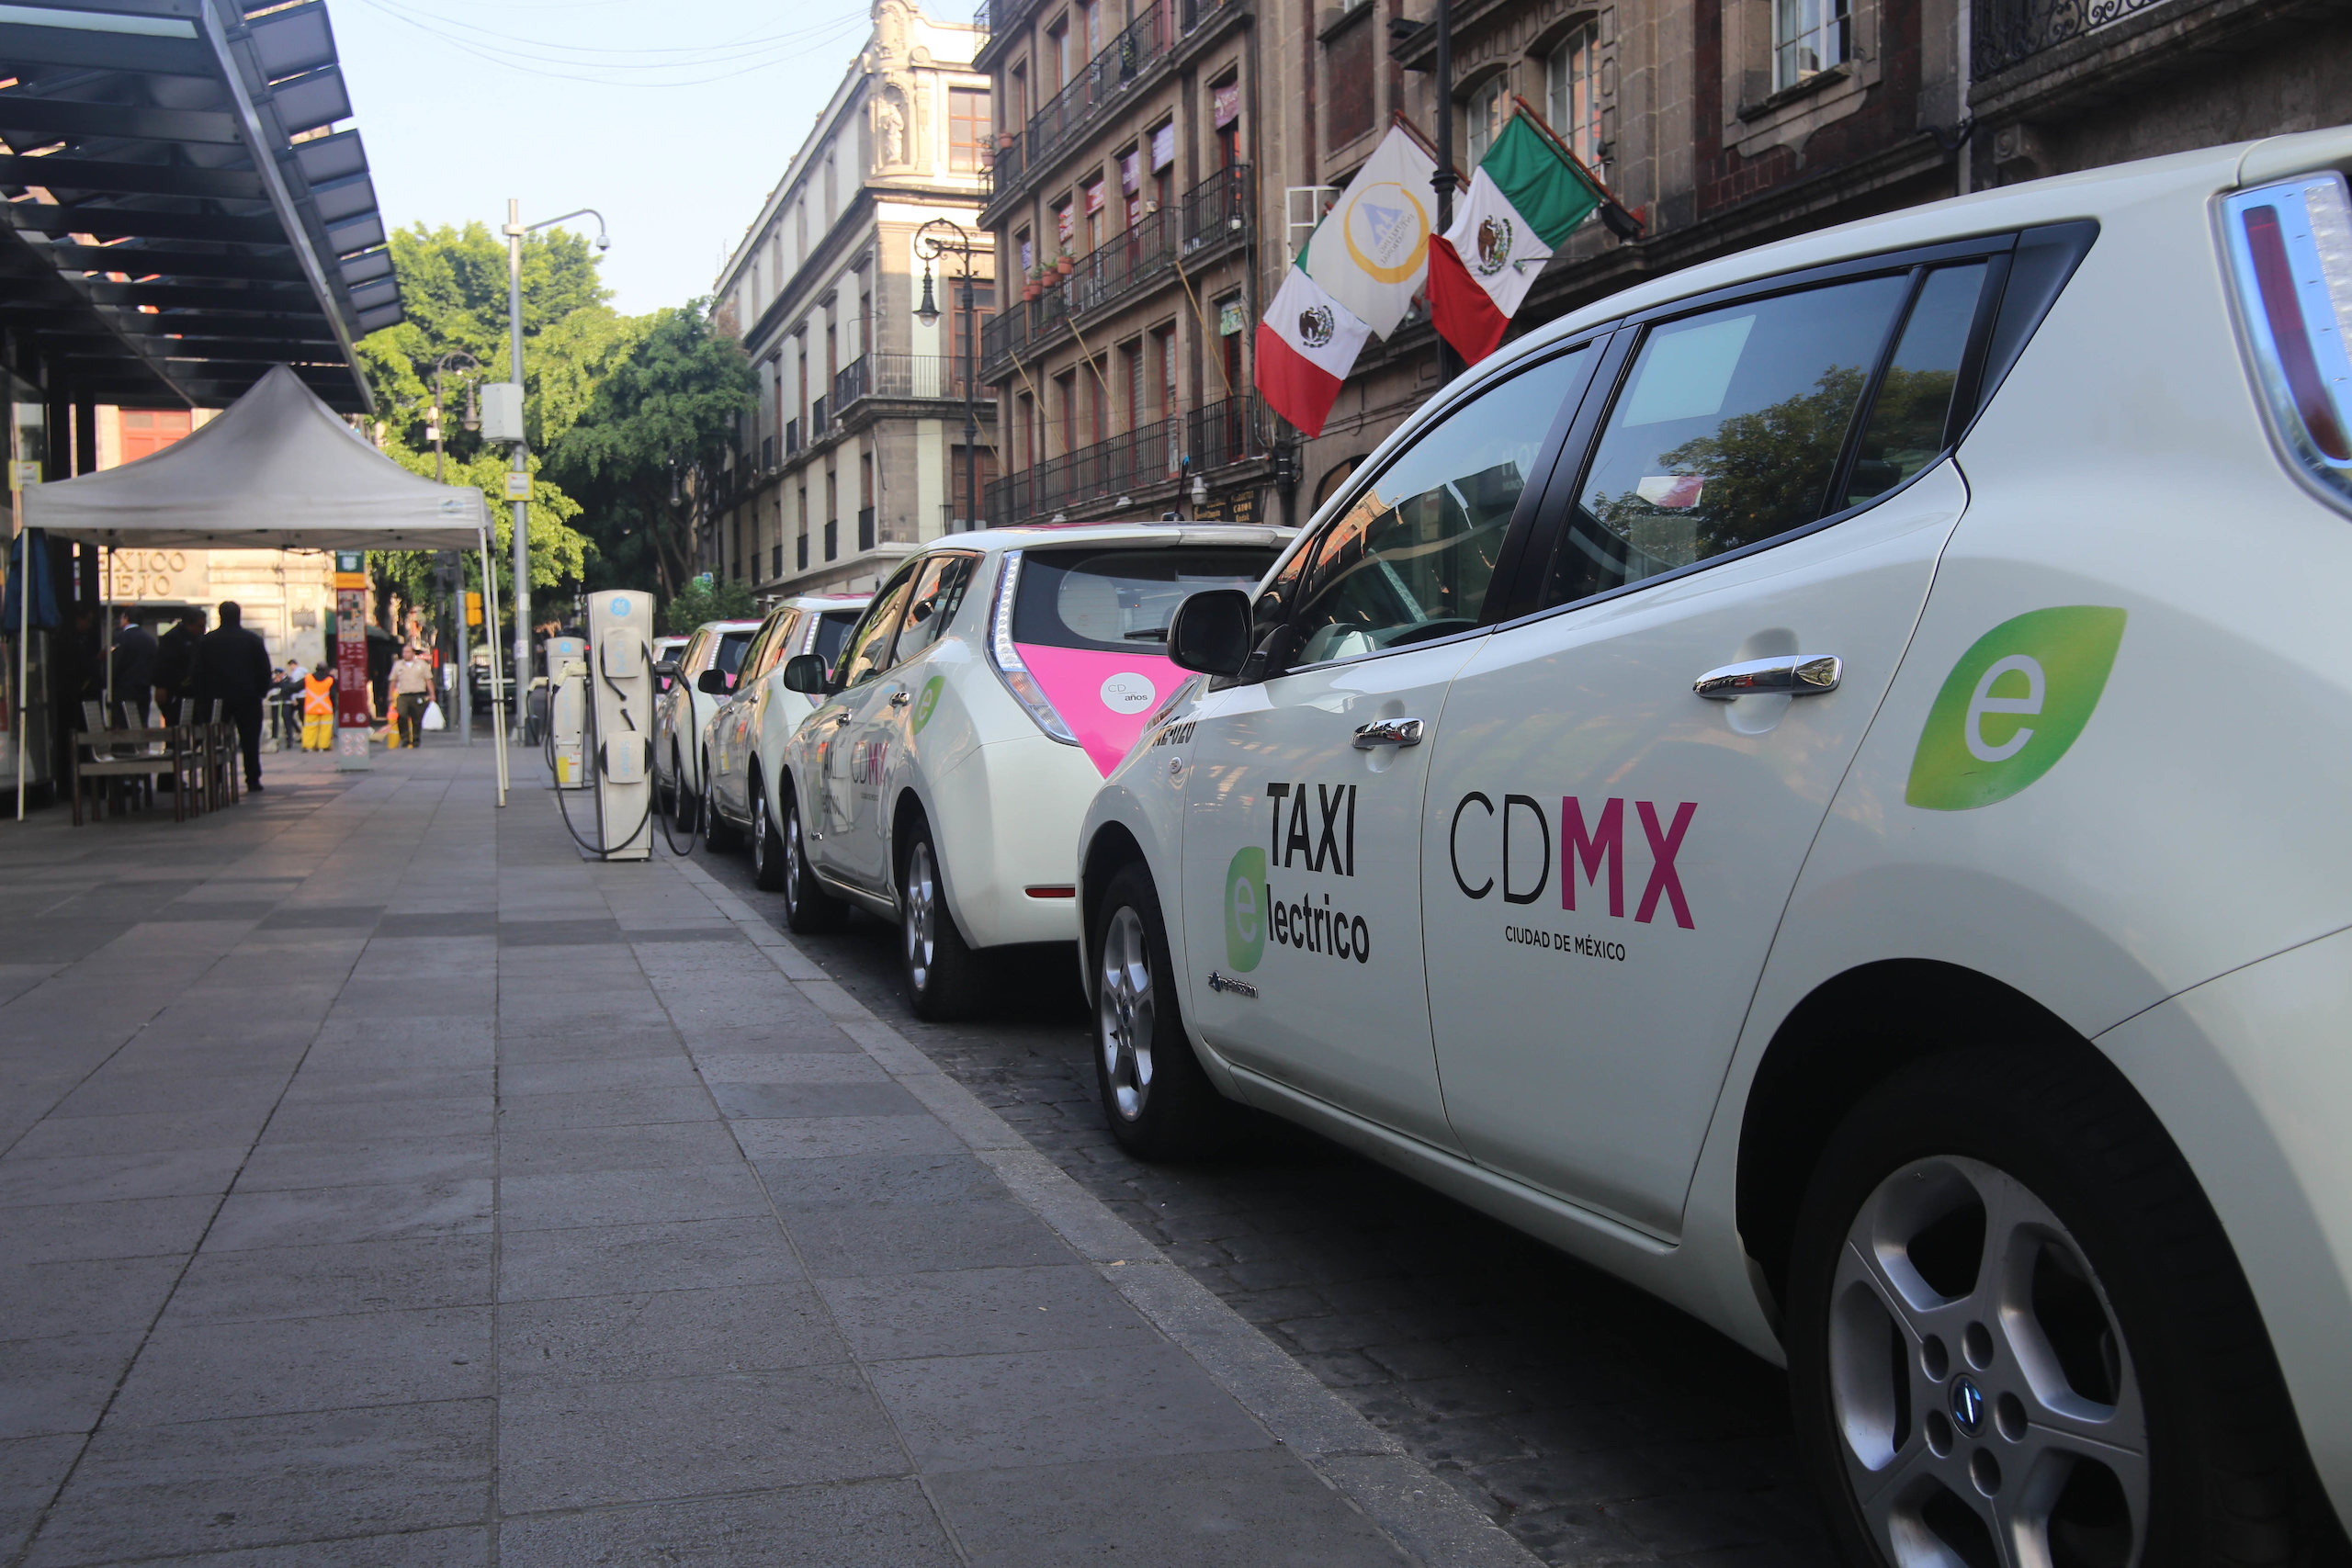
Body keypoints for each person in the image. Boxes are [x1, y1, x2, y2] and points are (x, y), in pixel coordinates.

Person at [192, 601, 274, 791]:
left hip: (216, 699)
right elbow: (264, 669)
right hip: (248, 697)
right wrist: (260, 692)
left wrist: (202, 698)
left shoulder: (206, 641)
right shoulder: (252, 639)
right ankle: (252, 778)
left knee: (214, 739)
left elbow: (198, 672)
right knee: (250, 740)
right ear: (239, 615)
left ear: (220, 615)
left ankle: (215, 777)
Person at [153, 608, 204, 720]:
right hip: (175, 690)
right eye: (200, 626)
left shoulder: (198, 639)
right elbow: (162, 664)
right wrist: (161, 686)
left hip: (193, 690)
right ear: (189, 625)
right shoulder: (172, 639)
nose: (203, 630)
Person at [109, 612, 156, 730]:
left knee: (123, 724)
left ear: (126, 618)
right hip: (143, 688)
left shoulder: (120, 638)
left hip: (123, 689)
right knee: (141, 722)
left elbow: (115, 663)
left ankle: (124, 748)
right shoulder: (150, 640)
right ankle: (142, 747)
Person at [390, 645, 432, 750]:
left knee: (417, 719)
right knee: (402, 715)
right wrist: (390, 695)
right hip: (403, 695)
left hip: (418, 695)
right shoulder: (398, 665)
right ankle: (405, 739)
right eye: (404, 652)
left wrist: (432, 694)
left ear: (413, 653)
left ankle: (416, 739)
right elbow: (393, 681)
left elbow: (428, 680)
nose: (405, 654)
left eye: (408, 652)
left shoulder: (422, 665)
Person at [300, 663, 335, 751]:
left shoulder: (308, 678)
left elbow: (295, 687)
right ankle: (323, 746)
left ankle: (308, 746)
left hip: (311, 708)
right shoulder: (330, 680)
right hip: (326, 708)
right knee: (325, 728)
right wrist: (335, 707)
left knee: (310, 728)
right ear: (326, 670)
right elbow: (333, 695)